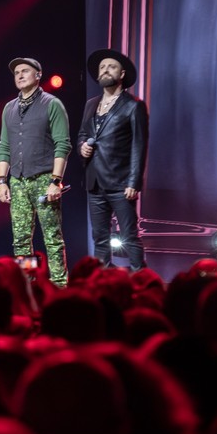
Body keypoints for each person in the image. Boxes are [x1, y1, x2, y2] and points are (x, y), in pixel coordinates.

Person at [0, 58, 72, 287]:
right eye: (16, 72)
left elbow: (63, 144)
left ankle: (59, 286)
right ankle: (27, 285)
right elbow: (4, 146)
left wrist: (55, 181)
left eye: (25, 71)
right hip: (17, 181)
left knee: (52, 237)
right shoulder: (9, 107)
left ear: (38, 75)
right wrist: (1, 181)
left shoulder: (52, 104)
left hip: (44, 179)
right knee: (20, 240)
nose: (19, 75)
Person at [78, 49, 149, 271]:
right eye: (102, 67)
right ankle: (102, 283)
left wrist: (133, 182)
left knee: (129, 237)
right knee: (99, 238)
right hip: (94, 182)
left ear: (122, 73)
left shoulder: (133, 105)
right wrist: (82, 147)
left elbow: (140, 146)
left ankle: (141, 280)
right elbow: (82, 133)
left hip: (121, 182)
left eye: (111, 66)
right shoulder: (91, 104)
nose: (105, 70)